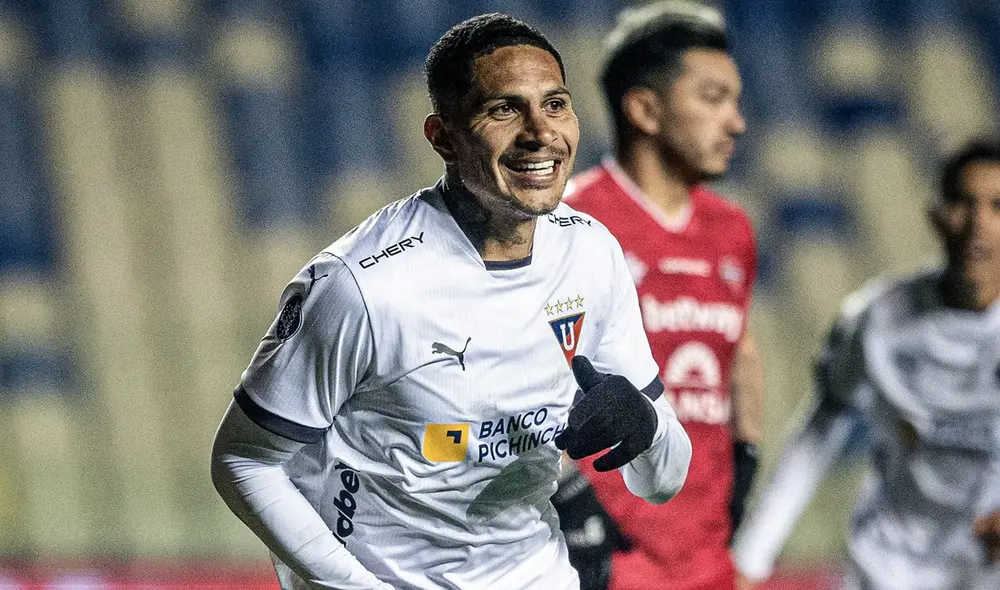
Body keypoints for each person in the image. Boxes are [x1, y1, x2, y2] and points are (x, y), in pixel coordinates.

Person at [210, 13, 693, 590]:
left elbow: (661, 480)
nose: (541, 132)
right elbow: (243, 460)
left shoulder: (593, 253)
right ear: (442, 136)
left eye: (557, 104)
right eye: (504, 109)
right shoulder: (361, 285)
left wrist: (647, 427)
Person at [555, 2, 762, 589]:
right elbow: (519, 376)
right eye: (713, 98)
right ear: (645, 109)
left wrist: (745, 466)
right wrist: (570, 501)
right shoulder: (569, 222)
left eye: (737, 101)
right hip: (602, 556)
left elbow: (738, 352)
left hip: (705, 557)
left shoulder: (733, 231)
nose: (736, 122)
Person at [733, 140, 1000, 590]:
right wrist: (750, 558)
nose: (977, 224)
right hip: (885, 567)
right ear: (935, 213)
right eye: (962, 202)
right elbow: (817, 436)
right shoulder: (877, 318)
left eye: (997, 206)